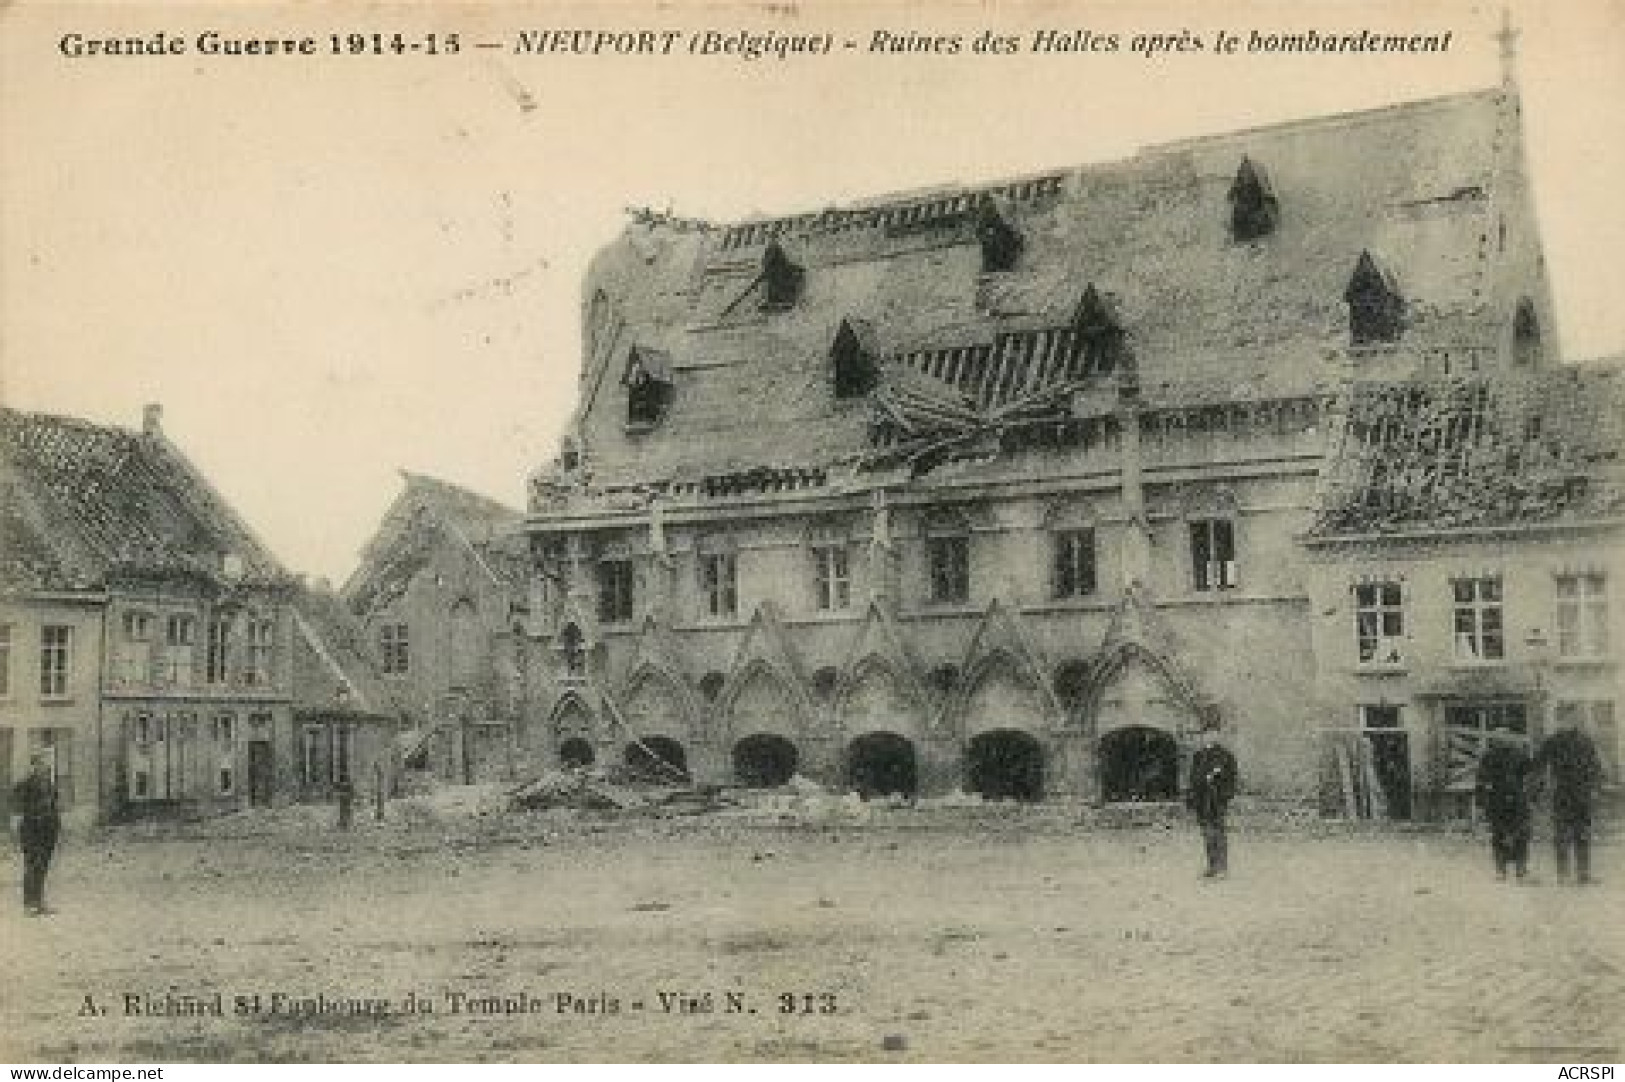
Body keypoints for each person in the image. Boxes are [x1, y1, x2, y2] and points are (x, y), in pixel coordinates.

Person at [1533, 718, 1604, 884]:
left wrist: (1595, 788)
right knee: (1562, 835)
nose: (1566, 723)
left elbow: (1595, 766)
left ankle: (1582, 874)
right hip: (1564, 793)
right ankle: (1563, 874)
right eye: (1563, 719)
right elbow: (1539, 765)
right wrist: (1538, 788)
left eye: (1569, 718)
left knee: (1581, 834)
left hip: (1580, 794)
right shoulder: (1553, 741)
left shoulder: (1585, 741)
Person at [1473, 730, 1534, 880]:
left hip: (1513, 799)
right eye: (1500, 738)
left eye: (1505, 738)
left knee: (1519, 833)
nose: (1503, 741)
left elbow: (1531, 774)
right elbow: (1481, 780)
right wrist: (1481, 802)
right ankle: (1503, 870)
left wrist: (1531, 796)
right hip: (1500, 799)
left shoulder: (1519, 755)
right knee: (1500, 833)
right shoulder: (1489, 757)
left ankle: (1519, 869)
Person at [1186, 724, 1238, 878]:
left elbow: (1232, 779)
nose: (1210, 737)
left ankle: (1222, 868)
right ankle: (1211, 866)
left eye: (1214, 734)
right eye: (1207, 735)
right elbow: (1193, 778)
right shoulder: (1198, 756)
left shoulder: (1226, 756)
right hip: (1202, 801)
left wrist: (1224, 796)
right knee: (1207, 834)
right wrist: (1194, 796)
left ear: (1218, 736)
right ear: (1203, 737)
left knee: (1219, 832)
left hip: (1217, 800)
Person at [13, 755, 61, 916]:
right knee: (32, 865)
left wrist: (56, 824)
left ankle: (39, 902)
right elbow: (15, 798)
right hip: (31, 829)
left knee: (43, 866)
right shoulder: (26, 783)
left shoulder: (49, 783)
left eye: (45, 765)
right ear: (33, 767)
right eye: (39, 765)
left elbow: (54, 803)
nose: (44, 768)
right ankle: (28, 905)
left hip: (48, 829)